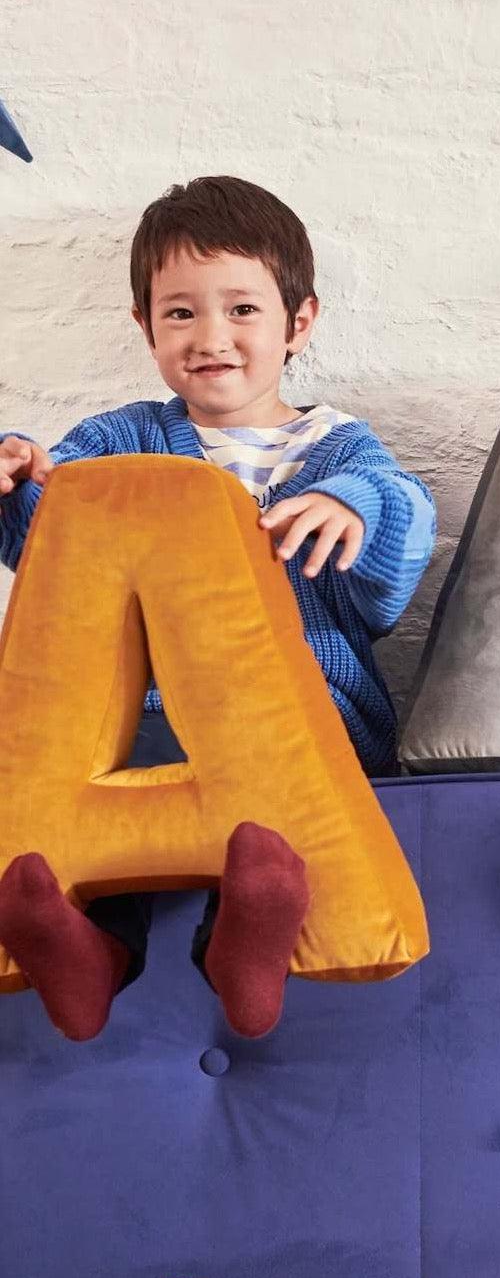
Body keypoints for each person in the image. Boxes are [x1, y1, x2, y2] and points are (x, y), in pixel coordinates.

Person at [0, 175, 436, 1042]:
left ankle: (236, 951)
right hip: (141, 724)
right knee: (91, 801)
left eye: (241, 310)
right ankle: (88, 955)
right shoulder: (119, 438)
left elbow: (400, 522)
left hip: (301, 714)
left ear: (297, 322)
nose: (211, 338)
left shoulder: (336, 446)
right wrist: (13, 478)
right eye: (180, 315)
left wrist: (355, 506)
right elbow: (54, 550)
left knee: (261, 843)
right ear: (144, 327)